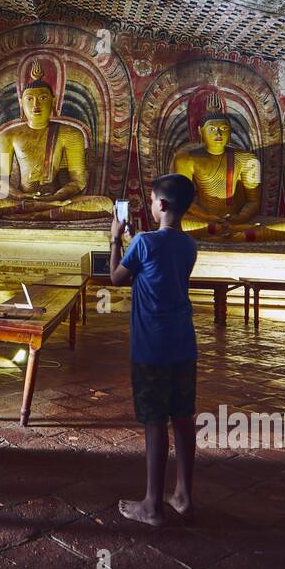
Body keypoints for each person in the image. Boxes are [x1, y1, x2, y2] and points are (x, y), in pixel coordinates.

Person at [109, 173, 199, 527]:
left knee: (154, 422)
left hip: (152, 347)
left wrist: (116, 239)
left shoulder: (142, 242)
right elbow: (155, 267)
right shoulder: (189, 245)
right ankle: (184, 496)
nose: (149, 205)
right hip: (183, 344)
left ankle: (151, 504)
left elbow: (117, 277)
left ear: (160, 205)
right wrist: (135, 241)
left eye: (150, 200)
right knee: (182, 419)